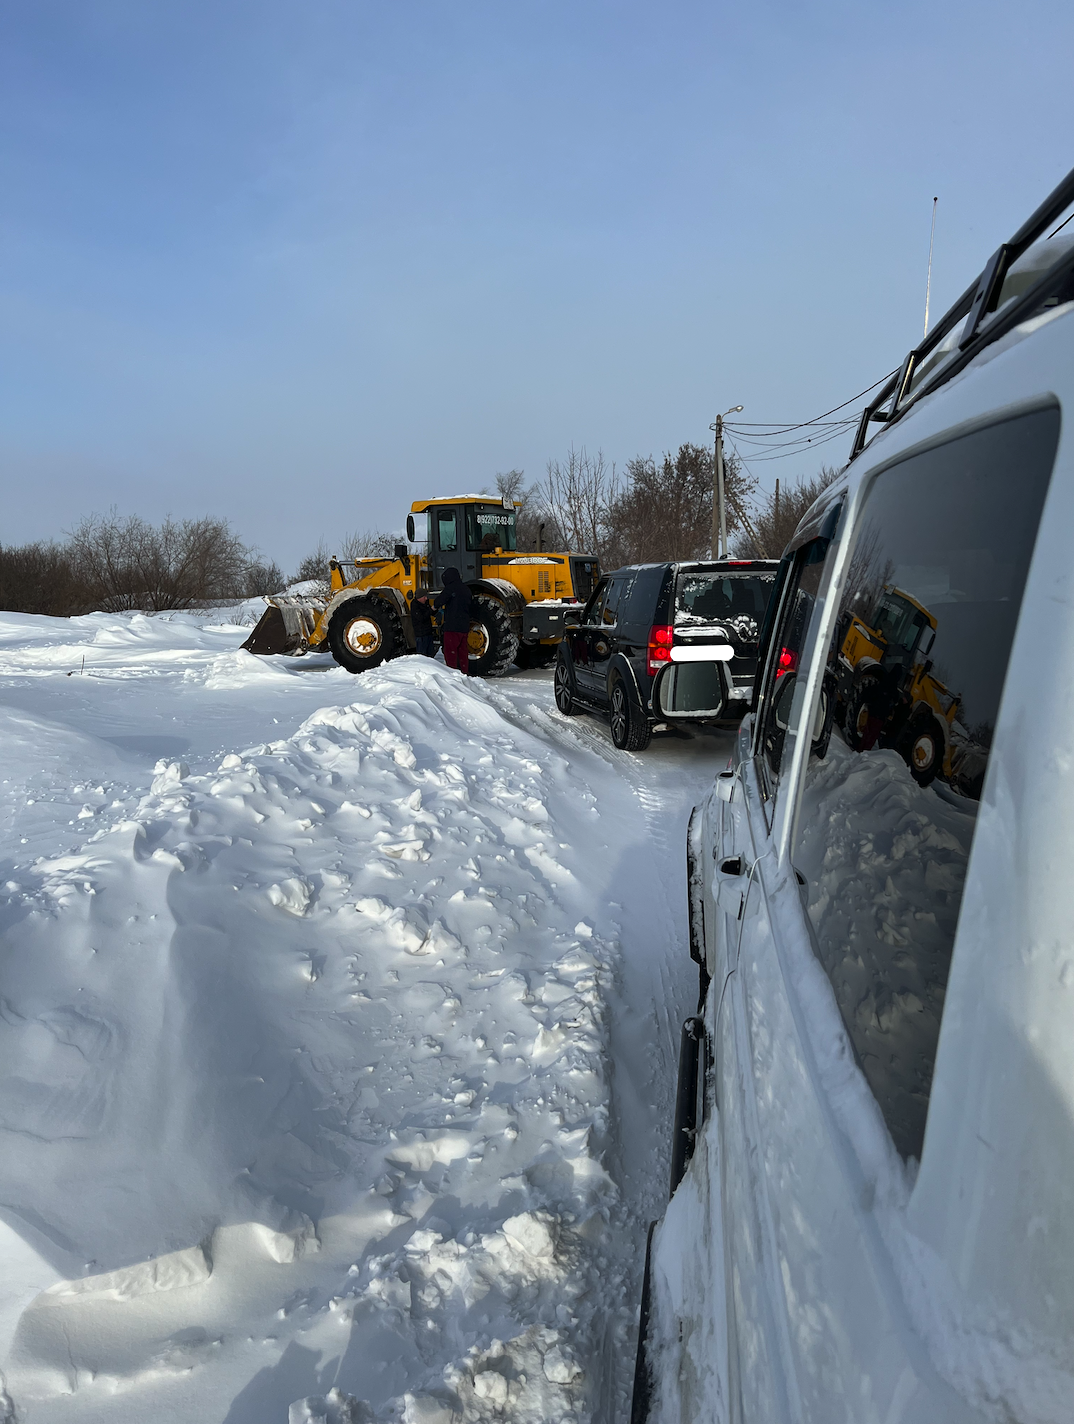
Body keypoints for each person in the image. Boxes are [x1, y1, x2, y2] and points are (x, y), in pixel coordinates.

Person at [434, 567, 473, 673]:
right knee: (462, 652)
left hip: (452, 626)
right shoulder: (466, 589)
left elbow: (438, 601)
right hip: (464, 626)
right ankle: (464, 672)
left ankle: (452, 674)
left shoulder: (450, 588)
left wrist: (433, 608)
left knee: (450, 652)